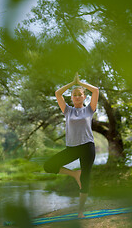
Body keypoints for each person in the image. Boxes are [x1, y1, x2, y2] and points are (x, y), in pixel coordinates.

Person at [44, 73, 99, 218]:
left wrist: (80, 82)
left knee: (85, 179)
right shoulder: (67, 110)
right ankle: (74, 174)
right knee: (49, 166)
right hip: (72, 148)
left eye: (80, 94)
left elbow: (96, 91)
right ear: (71, 98)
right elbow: (57, 93)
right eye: (74, 95)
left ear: (84, 97)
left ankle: (80, 212)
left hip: (87, 147)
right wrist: (72, 83)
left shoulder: (89, 109)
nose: (77, 97)